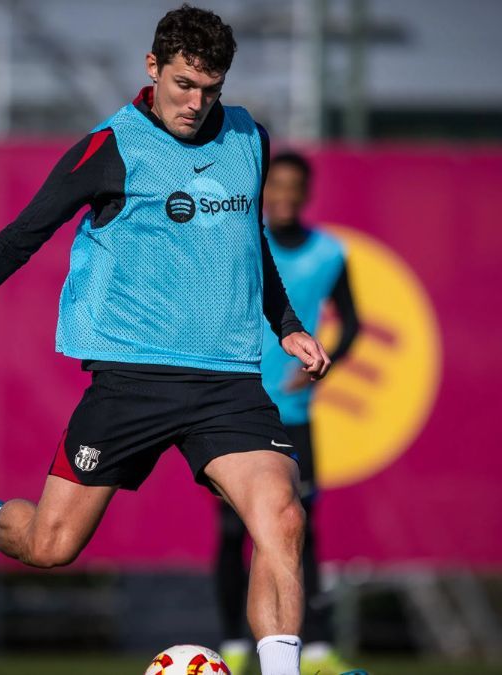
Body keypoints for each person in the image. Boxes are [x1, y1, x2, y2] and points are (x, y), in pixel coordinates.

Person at [0, 6, 331, 674]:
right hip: (131, 381)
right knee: (52, 544)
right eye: (183, 84)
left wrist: (287, 325)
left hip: (228, 382)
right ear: (152, 68)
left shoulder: (248, 139)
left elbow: (247, 247)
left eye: (211, 89)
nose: (196, 103)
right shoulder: (111, 146)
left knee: (282, 519)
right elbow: (23, 233)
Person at [215, 151, 361, 675]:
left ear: (305, 192)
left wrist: (325, 361)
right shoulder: (238, 240)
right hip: (235, 409)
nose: (282, 195)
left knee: (300, 529)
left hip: (294, 415)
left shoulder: (328, 253)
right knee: (234, 533)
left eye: (293, 186)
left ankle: (316, 652)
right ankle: (234, 643)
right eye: (273, 184)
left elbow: (355, 325)